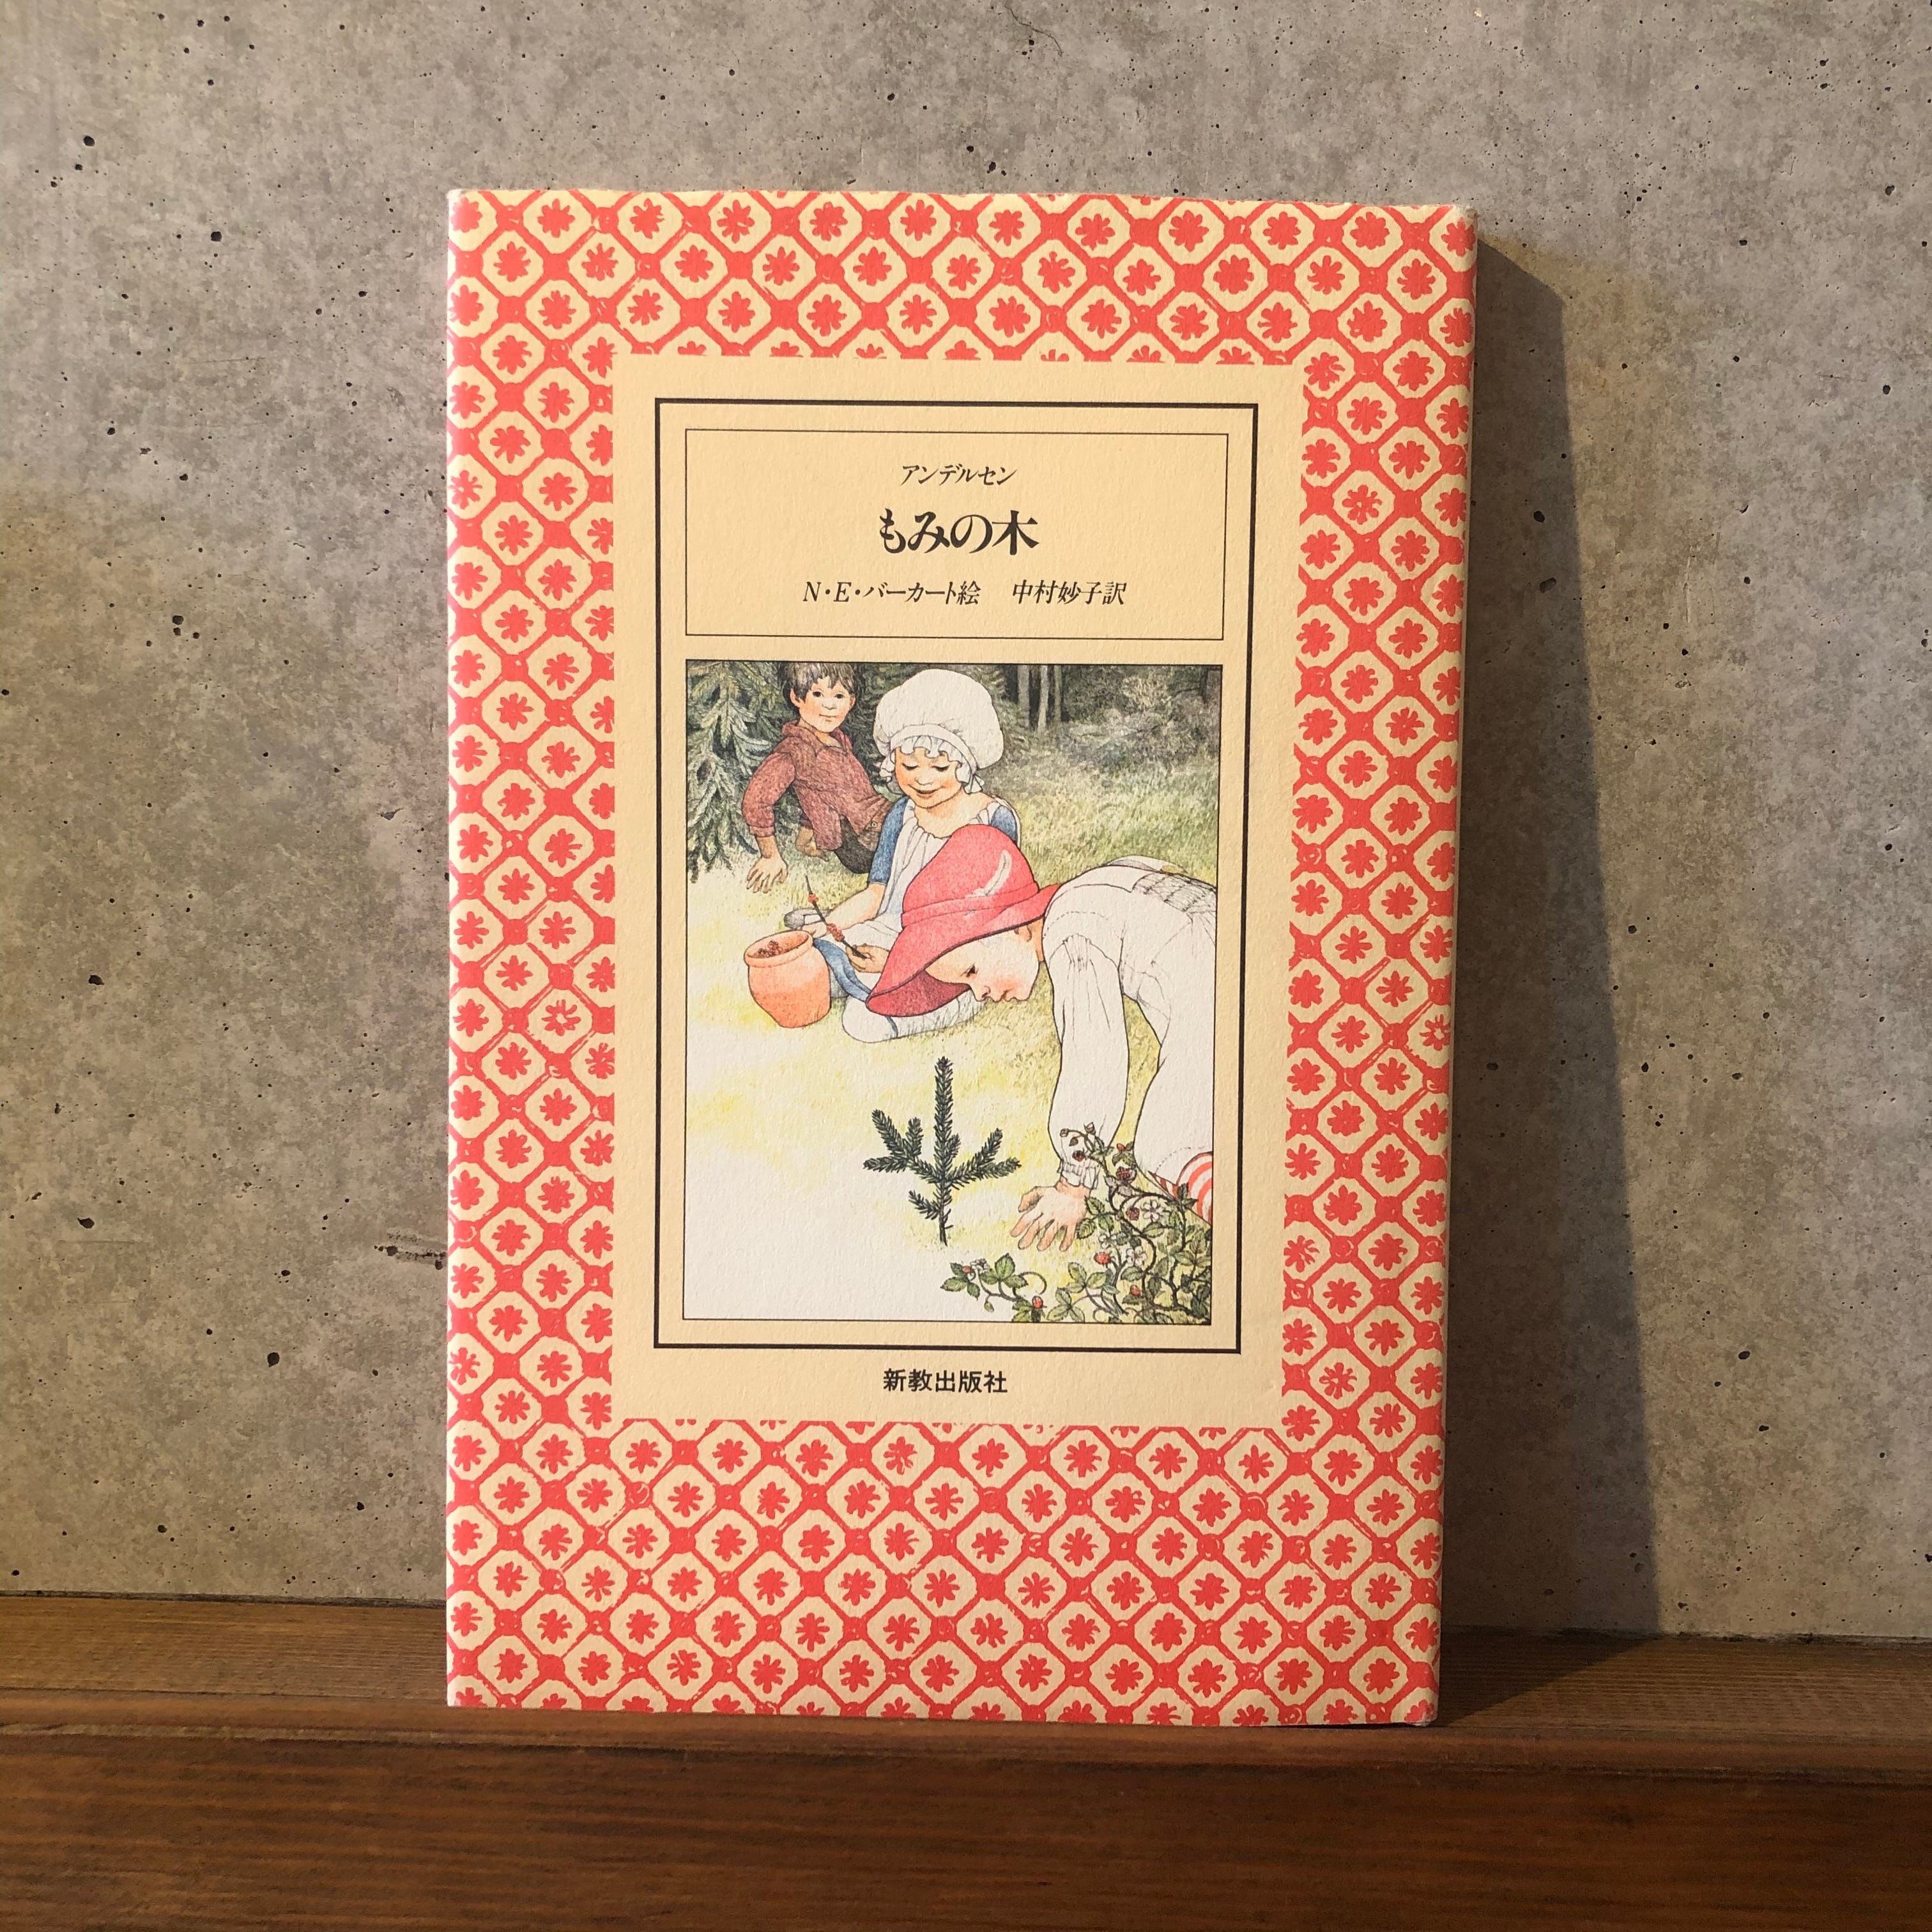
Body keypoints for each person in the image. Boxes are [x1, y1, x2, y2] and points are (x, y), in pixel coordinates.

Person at [866, 825, 1216, 1242]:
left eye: (973, 971)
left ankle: (1252, 1228)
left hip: (1219, 992)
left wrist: (1073, 1185)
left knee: (1168, 1145)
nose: (979, 992)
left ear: (1016, 926)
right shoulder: (1097, 888)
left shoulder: (1070, 930)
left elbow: (1095, 1056)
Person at [809, 668, 1021, 1044]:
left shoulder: (993, 819)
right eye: (909, 767)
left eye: (939, 768)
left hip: (956, 956)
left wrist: (900, 960)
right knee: (813, 965)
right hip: (890, 931)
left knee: (862, 1022)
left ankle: (911, 1004)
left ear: (965, 767)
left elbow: (986, 923)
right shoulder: (902, 815)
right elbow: (877, 893)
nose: (923, 779)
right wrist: (826, 928)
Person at [742, 663, 889, 891]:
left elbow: (822, 793)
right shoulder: (794, 750)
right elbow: (756, 800)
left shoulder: (837, 739)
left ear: (851, 702)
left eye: (839, 696)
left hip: (877, 823)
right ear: (797, 698)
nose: (829, 705)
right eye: (818, 694)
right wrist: (770, 855)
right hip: (863, 840)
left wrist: (805, 836)